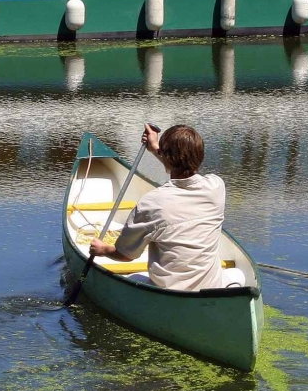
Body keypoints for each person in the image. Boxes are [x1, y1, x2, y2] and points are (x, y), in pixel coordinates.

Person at [89, 123, 226, 291]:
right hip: (211, 289)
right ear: (201, 156)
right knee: (237, 277)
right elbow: (183, 167)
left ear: (167, 156)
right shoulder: (216, 187)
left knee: (131, 278)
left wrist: (103, 250)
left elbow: (125, 255)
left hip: (170, 292)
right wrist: (156, 149)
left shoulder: (152, 203)